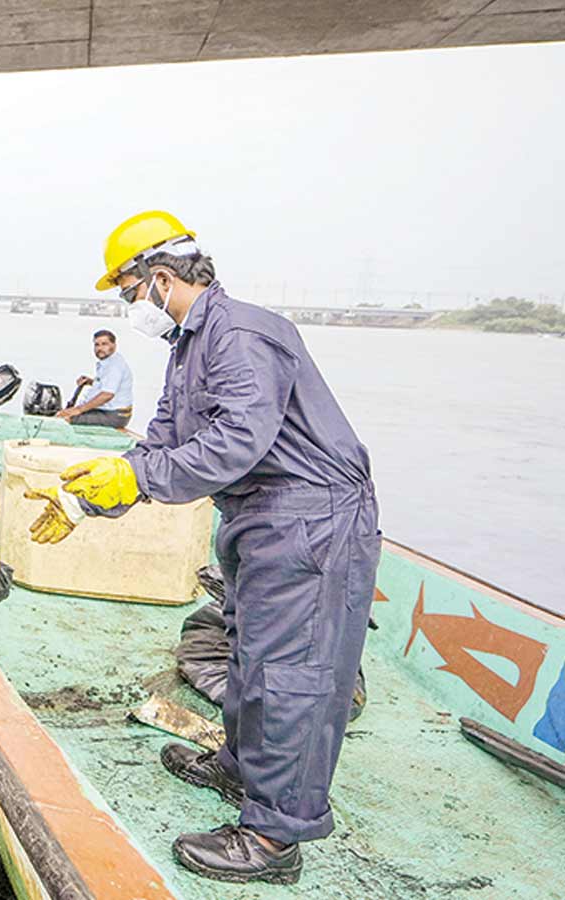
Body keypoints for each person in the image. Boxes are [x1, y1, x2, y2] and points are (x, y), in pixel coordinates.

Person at [29, 211, 379, 885]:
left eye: (130, 291)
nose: (131, 305)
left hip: (310, 519)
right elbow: (164, 440)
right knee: (248, 650)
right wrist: (85, 500)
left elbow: (237, 441)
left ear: (161, 278)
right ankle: (240, 770)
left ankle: (275, 838)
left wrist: (138, 478)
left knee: (291, 673)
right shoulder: (189, 347)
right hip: (256, 514)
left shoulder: (242, 334)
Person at [57, 329, 133, 428]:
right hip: (108, 411)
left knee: (64, 419)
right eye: (97, 345)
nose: (100, 348)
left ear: (114, 345)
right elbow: (109, 384)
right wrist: (91, 382)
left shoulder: (114, 366)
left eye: (104, 344)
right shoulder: (110, 361)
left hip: (113, 415)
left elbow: (107, 395)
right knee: (64, 412)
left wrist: (78, 409)